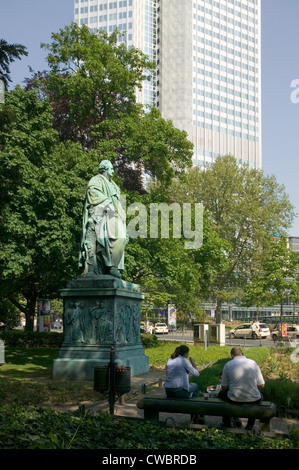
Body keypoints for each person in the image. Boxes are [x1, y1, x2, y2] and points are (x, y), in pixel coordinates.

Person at [79, 160, 128, 278]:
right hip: (102, 212)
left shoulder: (114, 186)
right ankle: (109, 266)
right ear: (104, 169)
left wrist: (122, 216)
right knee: (115, 235)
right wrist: (108, 203)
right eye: (111, 168)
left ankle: (112, 266)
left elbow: (118, 203)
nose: (113, 171)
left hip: (114, 214)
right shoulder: (96, 180)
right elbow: (93, 193)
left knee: (122, 237)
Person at [218, 347, 265, 431]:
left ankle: (227, 423)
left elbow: (224, 387)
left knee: (221, 394)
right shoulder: (253, 363)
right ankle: (250, 425)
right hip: (253, 399)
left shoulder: (228, 364)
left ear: (232, 355)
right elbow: (262, 385)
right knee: (260, 396)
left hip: (234, 399)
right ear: (242, 354)